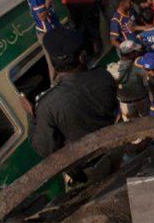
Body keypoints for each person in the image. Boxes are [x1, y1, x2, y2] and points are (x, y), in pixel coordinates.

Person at [24, 28, 118, 159]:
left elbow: (45, 150)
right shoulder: (103, 75)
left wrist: (30, 115)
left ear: (53, 63)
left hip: (87, 165)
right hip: (115, 148)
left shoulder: (47, 105)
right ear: (82, 57)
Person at [25, 0, 64, 84]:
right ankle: (55, 83)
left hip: (54, 25)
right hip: (47, 31)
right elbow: (42, 16)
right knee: (54, 60)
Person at [106, 39, 152, 121]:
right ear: (131, 54)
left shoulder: (111, 69)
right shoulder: (139, 68)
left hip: (125, 105)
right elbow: (149, 87)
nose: (137, 53)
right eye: (135, 52)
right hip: (142, 102)